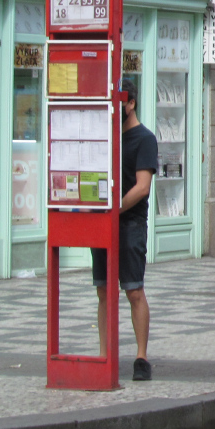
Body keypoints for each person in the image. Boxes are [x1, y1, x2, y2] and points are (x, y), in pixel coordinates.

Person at [93, 77, 157, 382]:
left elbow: (143, 187)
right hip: (103, 222)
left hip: (130, 223)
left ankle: (141, 357)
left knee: (133, 290)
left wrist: (113, 210)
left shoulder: (144, 139)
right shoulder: (105, 136)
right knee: (103, 291)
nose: (113, 108)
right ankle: (104, 354)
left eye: (118, 101)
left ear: (131, 103)